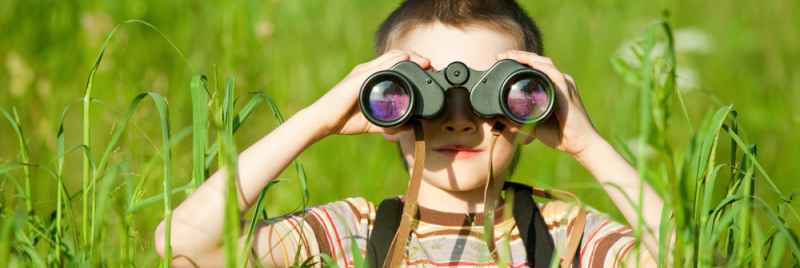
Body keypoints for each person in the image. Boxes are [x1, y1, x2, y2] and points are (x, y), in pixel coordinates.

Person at [155, 0, 666, 267]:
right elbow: (184, 249)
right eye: (428, 95)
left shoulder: (568, 237)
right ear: (390, 109)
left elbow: (693, 258)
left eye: (497, 96)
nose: (459, 120)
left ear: (534, 109)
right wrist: (319, 118)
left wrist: (587, 142)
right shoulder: (352, 234)